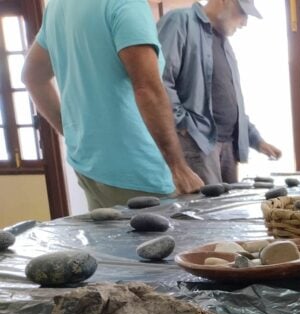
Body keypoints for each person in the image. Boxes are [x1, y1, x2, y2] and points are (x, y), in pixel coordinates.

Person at [22, 0, 203, 210]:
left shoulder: (59, 5)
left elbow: (31, 76)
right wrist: (179, 167)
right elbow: (147, 89)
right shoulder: (125, 3)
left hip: (90, 166)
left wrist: (73, 133)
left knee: (109, 243)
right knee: (171, 241)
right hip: (138, 171)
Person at [157, 0, 282, 185]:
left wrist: (256, 140)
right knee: (205, 212)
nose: (245, 22)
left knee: (229, 212)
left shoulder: (224, 43)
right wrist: (185, 126)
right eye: (243, 13)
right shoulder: (180, 22)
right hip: (199, 145)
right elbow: (161, 80)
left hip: (229, 147)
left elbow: (231, 101)